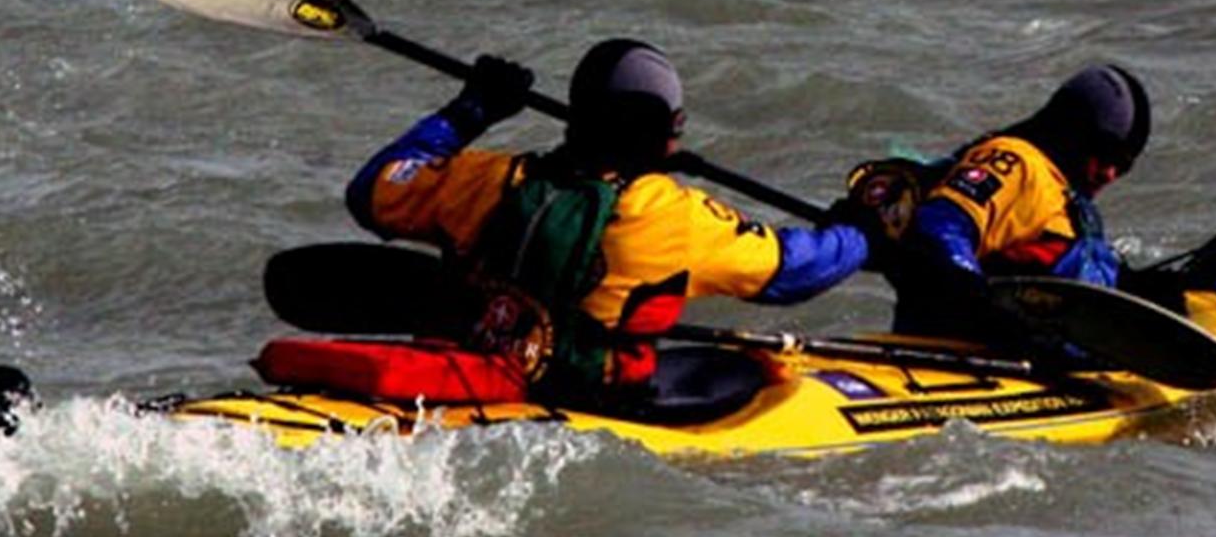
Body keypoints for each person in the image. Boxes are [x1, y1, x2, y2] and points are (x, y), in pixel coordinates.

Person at [346, 37, 874, 405]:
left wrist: (471, 110)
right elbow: (797, 273)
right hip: (590, 403)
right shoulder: (669, 215)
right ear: (659, 132)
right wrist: (862, 232)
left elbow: (371, 190)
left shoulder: (490, 179)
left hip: (469, 376)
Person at [867, 64, 1158, 338]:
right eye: (1106, 155)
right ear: (1073, 131)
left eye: (1123, 166)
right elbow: (938, 225)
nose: (1109, 173)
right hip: (966, 357)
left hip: (1035, 358)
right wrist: (977, 297)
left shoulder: (1064, 193)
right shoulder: (1019, 164)